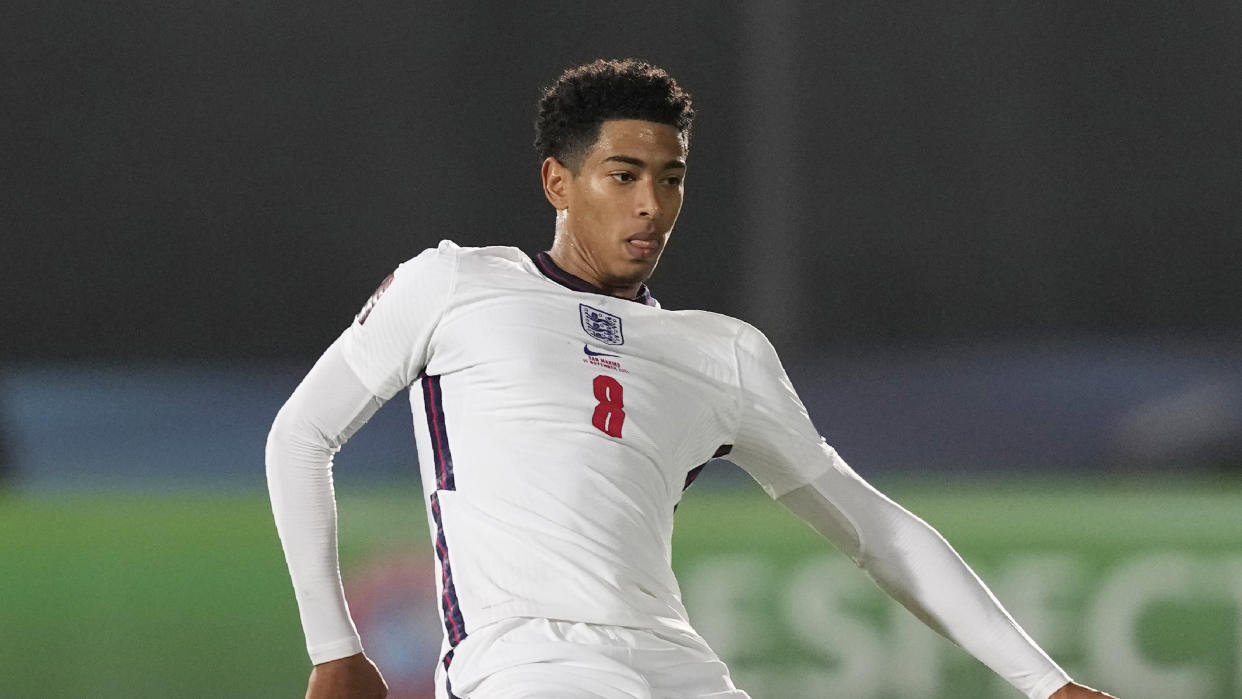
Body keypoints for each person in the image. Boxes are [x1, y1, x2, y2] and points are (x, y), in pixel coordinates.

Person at [266, 58, 1117, 699]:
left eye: (669, 179)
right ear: (557, 182)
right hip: (529, 664)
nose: (651, 205)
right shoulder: (458, 285)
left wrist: (1046, 683)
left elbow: (871, 526)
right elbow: (301, 436)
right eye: (624, 176)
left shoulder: (722, 352)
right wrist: (332, 644)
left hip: (679, 667)